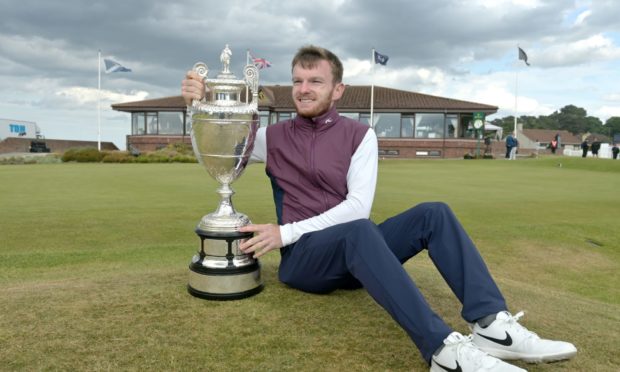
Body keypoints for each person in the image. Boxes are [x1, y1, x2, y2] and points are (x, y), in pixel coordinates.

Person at [182, 45, 577, 372]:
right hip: (306, 262)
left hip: (357, 252)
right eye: (298, 81)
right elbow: (217, 156)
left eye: (315, 81)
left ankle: (491, 324)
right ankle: (443, 352)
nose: (304, 89)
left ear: (338, 89)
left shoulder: (360, 135)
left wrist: (282, 231)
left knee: (433, 213)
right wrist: (196, 109)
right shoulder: (272, 137)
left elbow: (357, 208)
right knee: (360, 231)